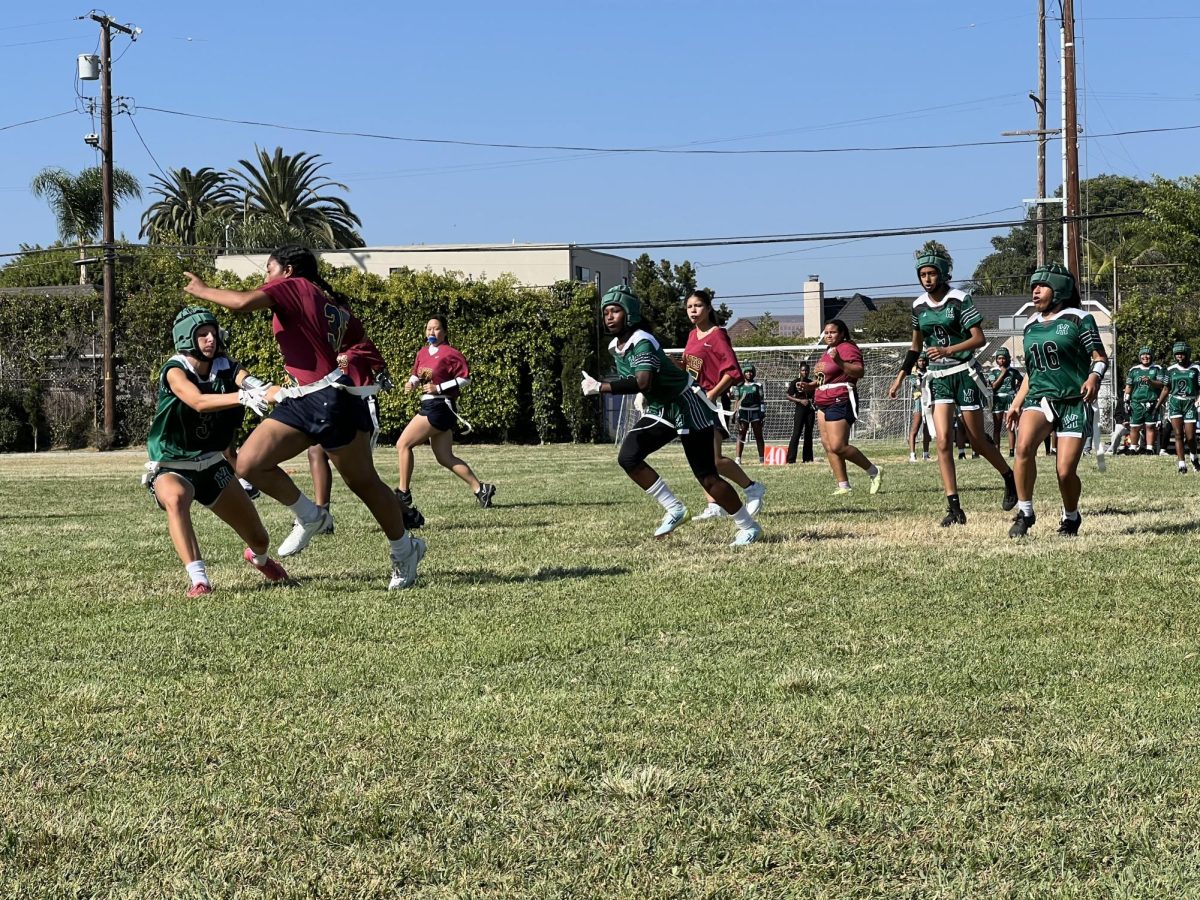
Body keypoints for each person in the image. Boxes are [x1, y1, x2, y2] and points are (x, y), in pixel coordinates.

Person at [182, 246, 425, 591]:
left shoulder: (293, 286)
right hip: (304, 397)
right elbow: (357, 340)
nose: (264, 278)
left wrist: (203, 290)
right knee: (249, 463)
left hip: (328, 399)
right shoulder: (329, 302)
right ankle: (310, 515)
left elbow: (241, 303)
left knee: (363, 483)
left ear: (288, 270)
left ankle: (405, 550)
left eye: (268, 270)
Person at [581, 286, 761, 545]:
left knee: (707, 477)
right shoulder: (615, 346)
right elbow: (637, 381)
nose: (609, 316)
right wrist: (641, 394)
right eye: (606, 312)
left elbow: (642, 381)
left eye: (615, 311)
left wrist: (602, 387)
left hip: (687, 405)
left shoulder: (642, 339)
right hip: (662, 407)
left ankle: (748, 526)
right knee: (628, 457)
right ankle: (675, 508)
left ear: (629, 313)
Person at [145, 307, 289, 597]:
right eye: (202, 334)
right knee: (175, 498)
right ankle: (199, 580)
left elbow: (256, 386)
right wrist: (242, 397)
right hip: (172, 464)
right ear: (186, 338)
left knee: (260, 539)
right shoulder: (175, 369)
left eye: (212, 332)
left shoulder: (226, 366)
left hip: (212, 464)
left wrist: (287, 394)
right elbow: (197, 401)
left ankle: (258, 559)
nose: (211, 339)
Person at [888, 249, 1017, 526]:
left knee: (977, 440)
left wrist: (949, 350)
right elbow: (915, 346)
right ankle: (954, 508)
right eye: (922, 275)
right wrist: (900, 376)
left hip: (963, 373)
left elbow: (979, 338)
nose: (927, 279)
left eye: (932, 273)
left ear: (943, 274)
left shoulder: (959, 299)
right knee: (943, 441)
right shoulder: (918, 306)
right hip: (938, 378)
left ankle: (1009, 476)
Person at [1005, 264, 1108, 537]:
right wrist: (1016, 404)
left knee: (1064, 472)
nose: (1035, 291)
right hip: (1041, 398)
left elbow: (1100, 358)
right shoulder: (1029, 325)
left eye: (1042, 285)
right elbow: (1032, 371)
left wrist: (1094, 378)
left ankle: (1071, 516)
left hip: (1073, 400)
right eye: (1033, 287)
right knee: (1023, 447)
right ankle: (1025, 512)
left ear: (1059, 288)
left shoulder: (1079, 319)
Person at [394, 315, 496, 524]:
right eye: (429, 329)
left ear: (445, 332)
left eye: (437, 329)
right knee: (445, 457)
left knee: (403, 444)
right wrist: (410, 383)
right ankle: (481, 489)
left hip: (439, 406)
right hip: (432, 405)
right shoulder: (422, 352)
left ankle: (403, 493)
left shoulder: (451, 353)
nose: (432, 332)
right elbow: (416, 374)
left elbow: (465, 378)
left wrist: (438, 387)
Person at [681, 289, 766, 518]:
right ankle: (713, 505)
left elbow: (732, 371)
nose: (693, 310)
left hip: (710, 403)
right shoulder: (691, 336)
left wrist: (712, 394)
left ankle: (752, 488)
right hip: (692, 403)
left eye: (698, 306)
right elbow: (691, 368)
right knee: (701, 460)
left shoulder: (717, 334)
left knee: (715, 459)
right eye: (689, 307)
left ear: (708, 308)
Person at [800, 318, 882, 495]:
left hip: (840, 398)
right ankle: (843, 485)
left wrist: (839, 361)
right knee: (828, 445)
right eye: (826, 332)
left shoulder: (848, 348)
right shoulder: (826, 351)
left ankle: (873, 470)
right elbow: (823, 379)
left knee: (838, 445)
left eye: (833, 332)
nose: (829, 335)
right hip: (822, 400)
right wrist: (810, 386)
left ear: (842, 333)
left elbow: (859, 372)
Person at [1157, 341, 1200, 474]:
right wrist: (1157, 405)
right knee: (1178, 434)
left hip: (1189, 403)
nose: (1179, 356)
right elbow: (1166, 388)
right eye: (1177, 354)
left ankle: (1193, 456)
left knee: (1191, 436)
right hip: (1175, 402)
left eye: (1181, 353)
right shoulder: (1170, 370)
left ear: (1187, 353)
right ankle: (1181, 463)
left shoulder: (1196, 368)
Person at [1124, 347, 1164, 455]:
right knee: (1134, 426)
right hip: (1136, 402)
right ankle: (1133, 447)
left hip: (1151, 401)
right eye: (1143, 355)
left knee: (1150, 426)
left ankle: (1149, 448)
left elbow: (1162, 384)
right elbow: (1129, 385)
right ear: (1140, 357)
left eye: (1148, 354)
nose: (1145, 357)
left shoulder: (1157, 368)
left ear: (1151, 356)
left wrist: (1150, 381)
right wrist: (1126, 399)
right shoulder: (1134, 370)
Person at [989, 349, 1024, 458]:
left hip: (1010, 398)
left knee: (1010, 426)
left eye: (1004, 358)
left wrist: (1018, 388)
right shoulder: (993, 371)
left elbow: (1022, 380)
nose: (1002, 360)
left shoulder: (1013, 371)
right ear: (996, 360)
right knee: (997, 427)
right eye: (999, 358)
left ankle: (1012, 452)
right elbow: (993, 386)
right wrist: (1003, 374)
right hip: (998, 399)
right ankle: (996, 451)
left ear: (1008, 358)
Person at [733, 365, 767, 465]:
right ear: (744, 373)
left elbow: (762, 401)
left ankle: (762, 459)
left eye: (751, 371)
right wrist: (735, 414)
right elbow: (737, 401)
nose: (749, 373)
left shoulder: (758, 385)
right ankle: (738, 459)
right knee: (741, 435)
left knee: (758, 436)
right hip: (743, 412)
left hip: (755, 412)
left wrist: (762, 413)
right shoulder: (739, 386)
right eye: (747, 371)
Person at [786, 361, 817, 464]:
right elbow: (788, 395)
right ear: (800, 371)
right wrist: (800, 401)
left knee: (808, 433)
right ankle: (791, 459)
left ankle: (807, 458)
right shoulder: (795, 382)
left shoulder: (811, 383)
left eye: (807, 370)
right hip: (800, 409)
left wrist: (813, 403)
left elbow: (815, 395)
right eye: (803, 370)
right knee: (796, 433)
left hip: (810, 409)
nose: (805, 372)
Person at [906, 352, 930, 462]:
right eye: (920, 360)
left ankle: (926, 454)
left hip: (927, 401)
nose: (922, 362)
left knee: (927, 430)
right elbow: (916, 385)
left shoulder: (929, 371)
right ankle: (912, 455)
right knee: (914, 429)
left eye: (923, 360)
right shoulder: (913, 373)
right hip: (918, 402)